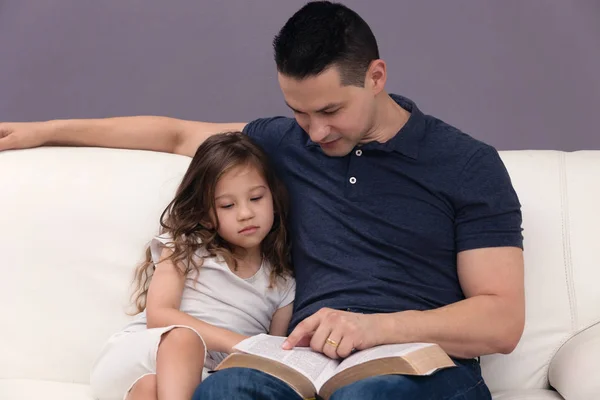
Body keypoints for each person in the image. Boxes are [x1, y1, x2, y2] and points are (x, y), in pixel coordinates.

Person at [0, 1, 525, 399]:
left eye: (330, 110)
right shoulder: (283, 143)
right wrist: (46, 130)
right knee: (225, 391)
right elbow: (176, 135)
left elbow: (501, 322)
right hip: (303, 358)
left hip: (416, 364)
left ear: (376, 76)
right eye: (299, 112)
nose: (316, 132)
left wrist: (375, 328)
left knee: (370, 395)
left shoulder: (467, 164)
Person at [88, 132, 295, 400]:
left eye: (256, 198)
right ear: (206, 215)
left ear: (274, 200)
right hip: (140, 355)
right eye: (227, 205)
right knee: (186, 339)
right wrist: (238, 343)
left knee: (150, 388)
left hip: (200, 379)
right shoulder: (186, 246)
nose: (245, 213)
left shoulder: (283, 283)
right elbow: (159, 315)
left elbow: (271, 356)